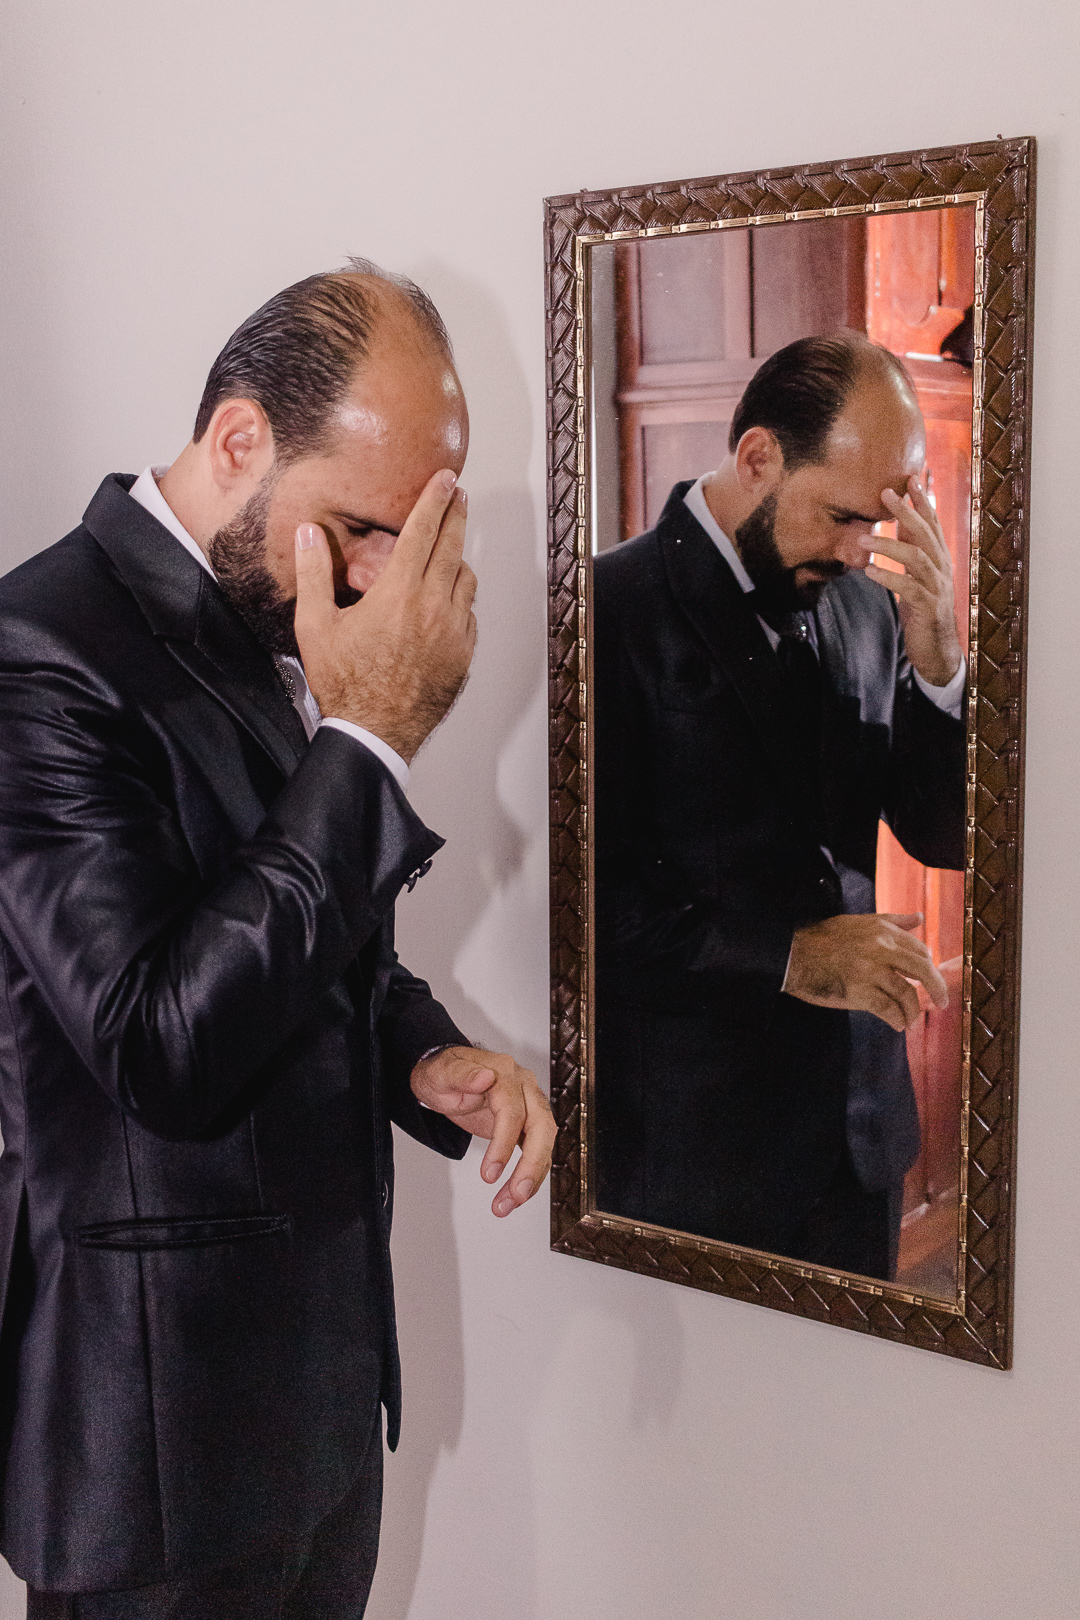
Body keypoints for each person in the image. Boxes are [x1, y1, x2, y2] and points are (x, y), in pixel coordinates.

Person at [0, 260, 555, 1619]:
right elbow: (159, 1045)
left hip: (316, 1407)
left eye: (406, 540)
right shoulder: (36, 651)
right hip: (157, 1444)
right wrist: (368, 741)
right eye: (362, 528)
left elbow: (316, 948)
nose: (375, 576)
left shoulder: (264, 621)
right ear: (240, 438)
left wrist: (420, 1052)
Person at [592, 331, 965, 1283]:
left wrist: (940, 665)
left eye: (882, 520)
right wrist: (792, 956)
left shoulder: (871, 604)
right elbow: (588, 909)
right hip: (693, 1153)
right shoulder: (606, 610)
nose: (859, 550)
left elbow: (940, 834)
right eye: (842, 515)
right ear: (758, 456)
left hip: (860, 1138)